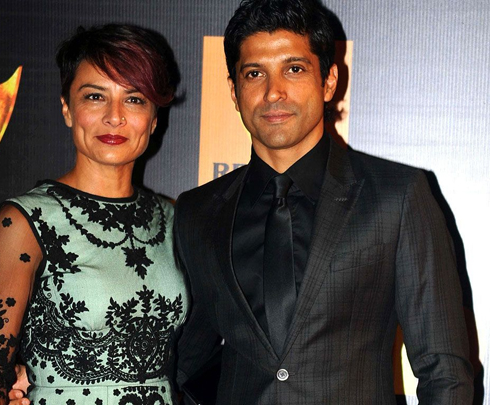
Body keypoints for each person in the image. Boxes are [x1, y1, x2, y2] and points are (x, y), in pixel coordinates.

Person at [174, 0, 474, 403]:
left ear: (329, 82)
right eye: (254, 73)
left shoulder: (397, 196)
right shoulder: (198, 212)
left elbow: (445, 373)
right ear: (234, 89)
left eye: (294, 69)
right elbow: (183, 361)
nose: (273, 92)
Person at [0, 24, 189, 405]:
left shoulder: (175, 220)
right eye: (95, 96)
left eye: (134, 99)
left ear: (153, 118)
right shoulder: (23, 222)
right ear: (67, 108)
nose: (114, 117)